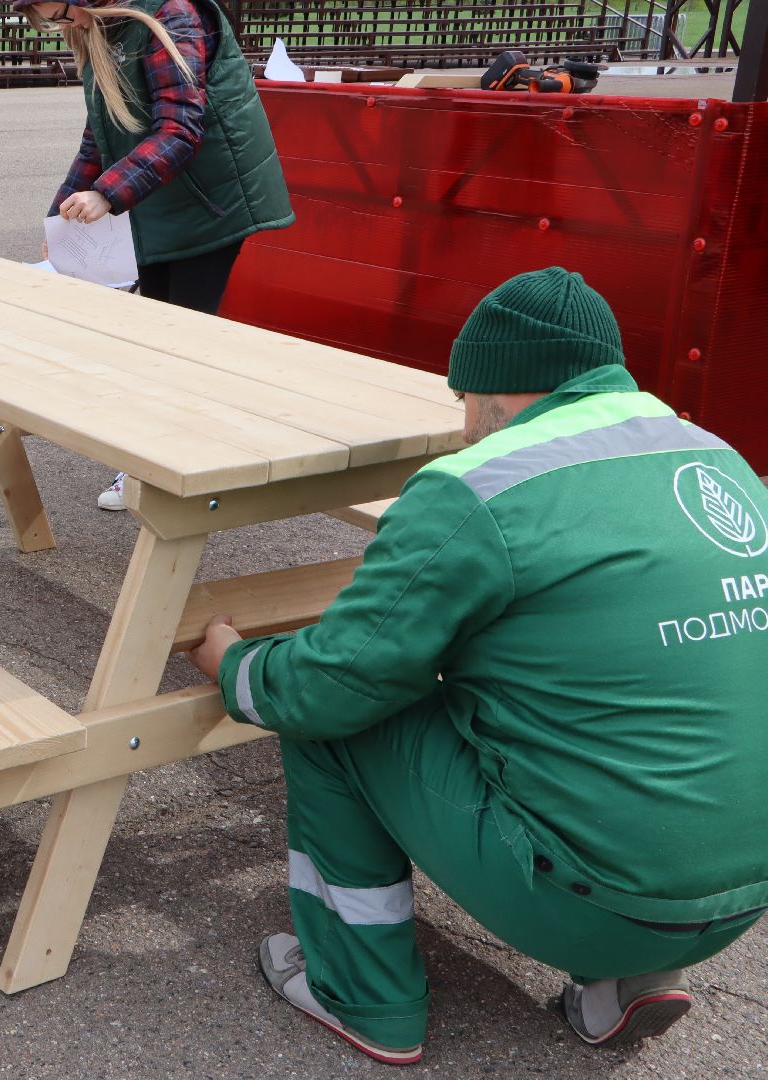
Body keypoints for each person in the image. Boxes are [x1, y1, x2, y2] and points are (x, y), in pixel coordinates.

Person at [188, 267, 768, 1065]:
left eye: (464, 398)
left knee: (336, 716)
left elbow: (331, 685)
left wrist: (235, 663)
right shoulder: (715, 459)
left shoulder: (483, 483)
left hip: (594, 896)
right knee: (639, 714)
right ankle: (627, 982)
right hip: (743, 898)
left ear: (498, 386)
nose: (463, 421)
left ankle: (364, 997)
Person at [17, 0, 293, 510]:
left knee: (183, 340)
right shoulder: (104, 32)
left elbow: (181, 129)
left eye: (62, 12)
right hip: (161, 193)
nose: (65, 25)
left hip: (212, 201)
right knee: (152, 336)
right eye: (51, 20)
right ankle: (153, 466)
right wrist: (61, 221)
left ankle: (195, 478)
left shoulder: (171, 15)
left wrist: (106, 194)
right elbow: (98, 138)